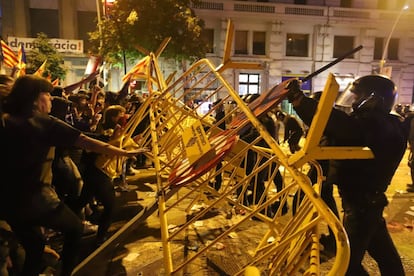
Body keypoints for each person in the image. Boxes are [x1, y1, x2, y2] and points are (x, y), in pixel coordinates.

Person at [0, 75, 147, 276]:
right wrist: (125, 153)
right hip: (37, 198)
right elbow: (86, 141)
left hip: (9, 203)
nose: (51, 100)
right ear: (35, 98)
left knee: (34, 249)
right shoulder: (44, 122)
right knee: (75, 229)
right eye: (47, 95)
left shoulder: (6, 120)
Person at [284, 74, 406, 275]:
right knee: (386, 257)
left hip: (362, 206)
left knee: (346, 265)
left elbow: (339, 125)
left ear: (374, 98)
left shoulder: (382, 126)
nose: (354, 102)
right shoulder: (376, 124)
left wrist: (301, 101)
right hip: (365, 204)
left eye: (358, 96)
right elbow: (340, 126)